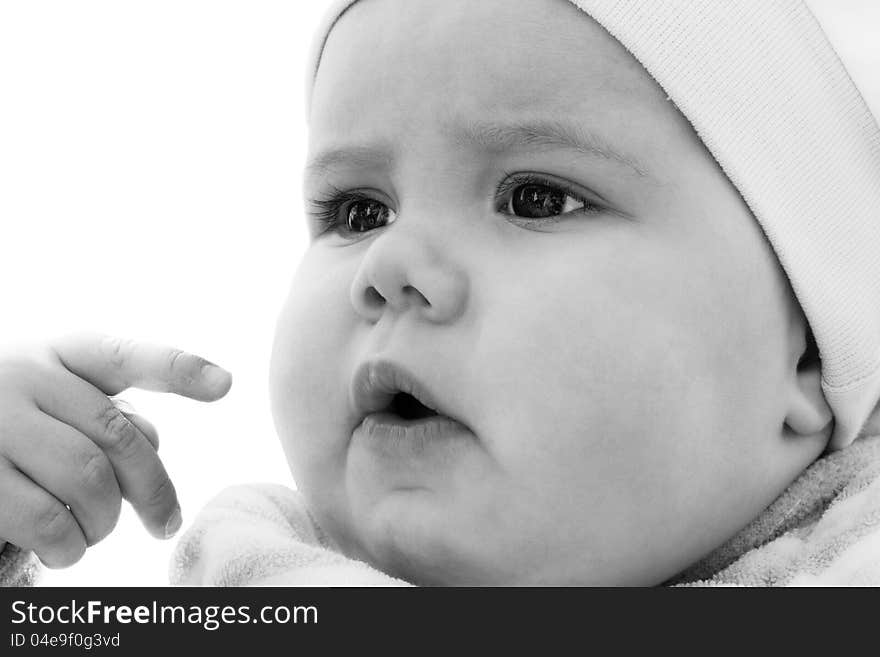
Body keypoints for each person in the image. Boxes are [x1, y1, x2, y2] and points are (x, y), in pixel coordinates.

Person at [2, 0, 880, 587]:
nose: (391, 264)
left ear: (805, 351)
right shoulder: (252, 581)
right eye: (356, 210)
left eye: (537, 197)